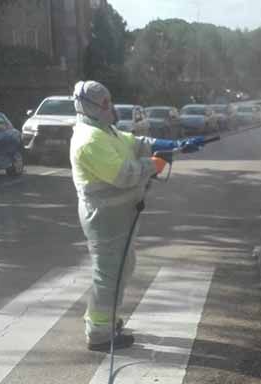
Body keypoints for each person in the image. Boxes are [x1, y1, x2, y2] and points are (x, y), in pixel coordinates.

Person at [69, 80, 205, 351]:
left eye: (110, 101)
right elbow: (125, 174)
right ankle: (98, 333)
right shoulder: (89, 140)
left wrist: (174, 145)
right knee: (108, 275)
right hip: (105, 219)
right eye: (106, 103)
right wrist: (155, 163)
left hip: (120, 217)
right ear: (92, 106)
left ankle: (107, 320)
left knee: (122, 268)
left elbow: (136, 142)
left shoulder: (105, 131)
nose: (111, 107)